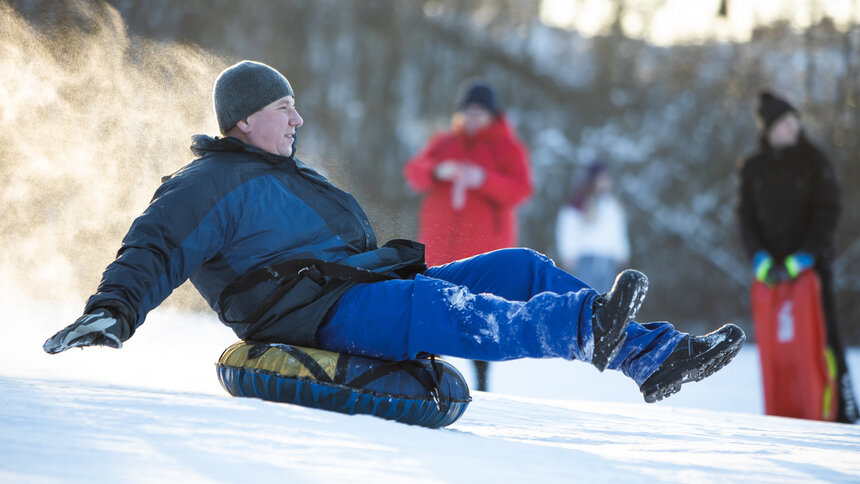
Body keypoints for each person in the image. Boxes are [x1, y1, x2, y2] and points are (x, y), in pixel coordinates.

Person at [43, 60, 745, 405]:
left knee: (520, 267)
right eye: (286, 108)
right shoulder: (208, 182)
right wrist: (113, 308)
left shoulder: (294, 176)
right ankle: (584, 328)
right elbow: (157, 242)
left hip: (364, 285)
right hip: (312, 313)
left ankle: (652, 358)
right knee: (440, 309)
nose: (298, 120)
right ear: (247, 118)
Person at [403, 80, 533, 392]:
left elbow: (520, 189)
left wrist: (485, 180)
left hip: (484, 249)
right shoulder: (445, 142)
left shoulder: (508, 148)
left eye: (479, 113)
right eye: (468, 112)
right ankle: (425, 379)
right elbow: (415, 173)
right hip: (439, 246)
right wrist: (437, 170)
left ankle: (482, 385)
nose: (473, 119)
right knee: (432, 312)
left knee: (479, 316)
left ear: (492, 115)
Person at [737, 91, 858, 423]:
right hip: (771, 273)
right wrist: (759, 258)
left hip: (811, 269)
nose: (794, 128)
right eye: (787, 123)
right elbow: (745, 219)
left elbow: (827, 212)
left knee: (825, 340)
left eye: (796, 122)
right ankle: (786, 411)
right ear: (770, 129)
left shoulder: (814, 161)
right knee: (779, 349)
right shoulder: (753, 167)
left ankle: (843, 411)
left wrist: (804, 256)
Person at [556, 161, 630, 293]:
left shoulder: (611, 203)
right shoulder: (578, 202)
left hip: (607, 257)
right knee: (586, 294)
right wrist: (568, 253)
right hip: (585, 257)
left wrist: (621, 251)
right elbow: (567, 228)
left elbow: (617, 229)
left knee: (606, 295)